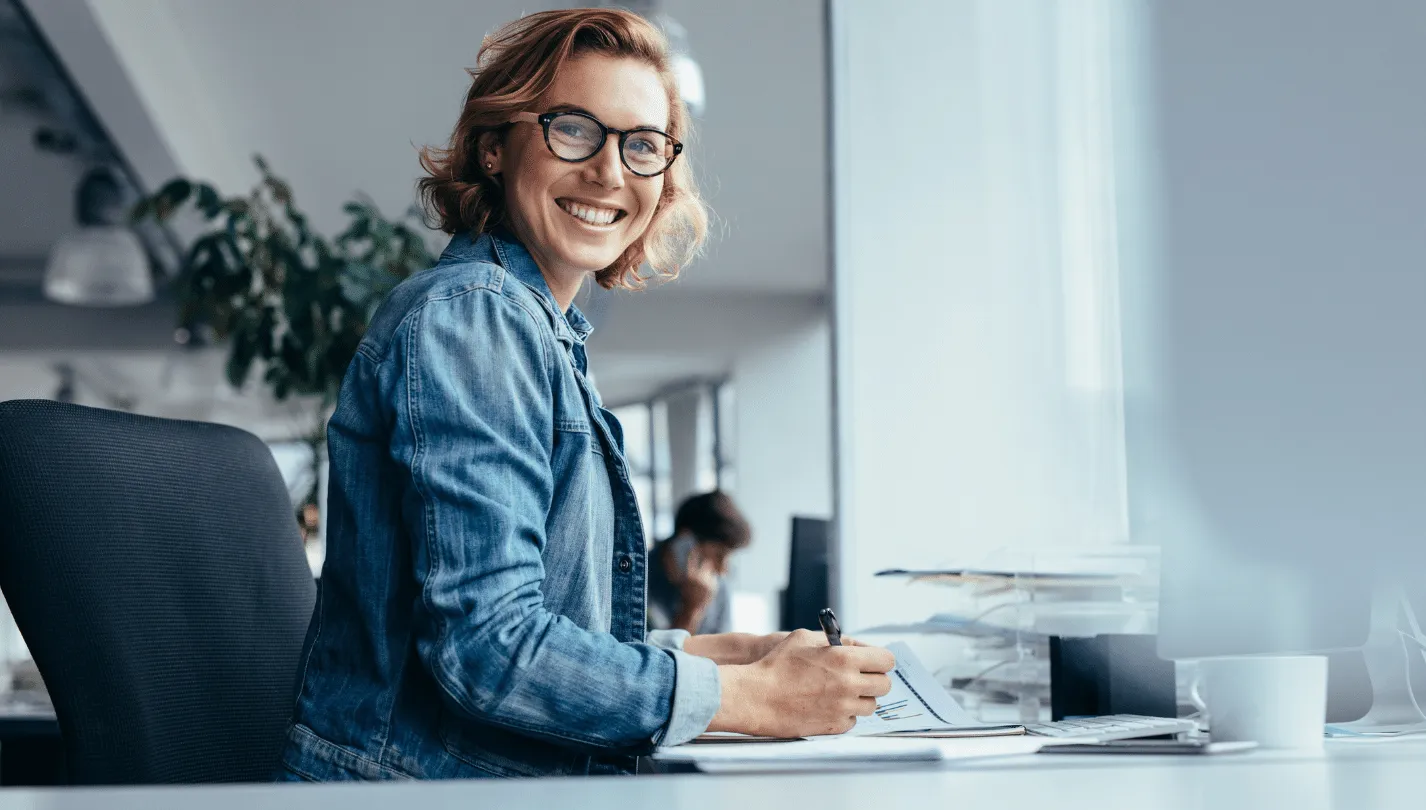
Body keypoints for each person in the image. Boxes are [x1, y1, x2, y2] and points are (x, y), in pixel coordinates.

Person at [276, 9, 893, 781]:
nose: (610, 172)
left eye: (642, 146)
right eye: (574, 129)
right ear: (496, 146)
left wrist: (730, 659)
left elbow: (550, 631)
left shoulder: (540, 333)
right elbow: (489, 648)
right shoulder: (476, 316)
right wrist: (752, 701)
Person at [648, 491, 750, 635]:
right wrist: (691, 610)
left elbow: (724, 653)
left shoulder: (719, 587)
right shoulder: (639, 580)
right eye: (718, 555)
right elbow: (649, 654)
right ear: (685, 543)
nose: (723, 570)